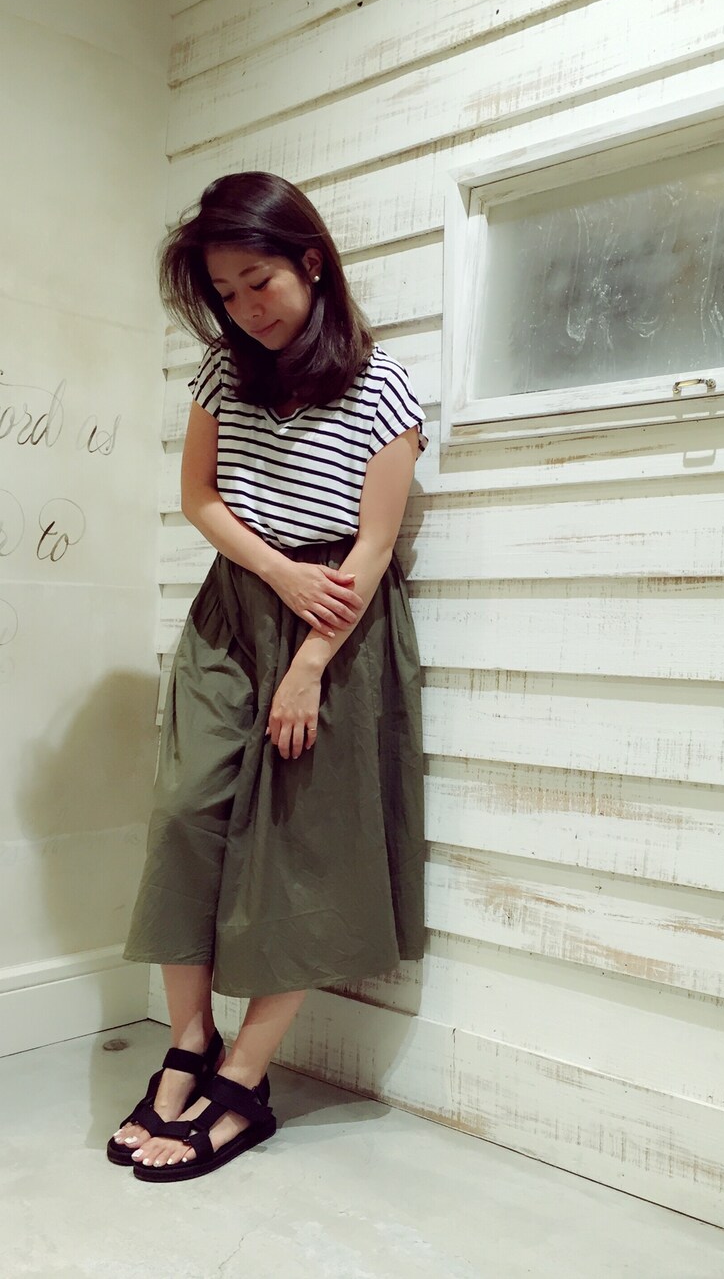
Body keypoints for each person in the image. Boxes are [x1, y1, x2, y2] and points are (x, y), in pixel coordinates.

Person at [108, 172, 426, 1181]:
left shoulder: (384, 386)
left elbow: (373, 545)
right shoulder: (223, 371)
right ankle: (188, 1041)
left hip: (337, 621)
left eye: (260, 282)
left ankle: (245, 1079)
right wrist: (275, 571)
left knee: (299, 844)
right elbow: (201, 497)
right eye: (227, 293)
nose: (247, 307)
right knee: (182, 812)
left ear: (311, 263)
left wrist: (310, 661)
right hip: (236, 604)